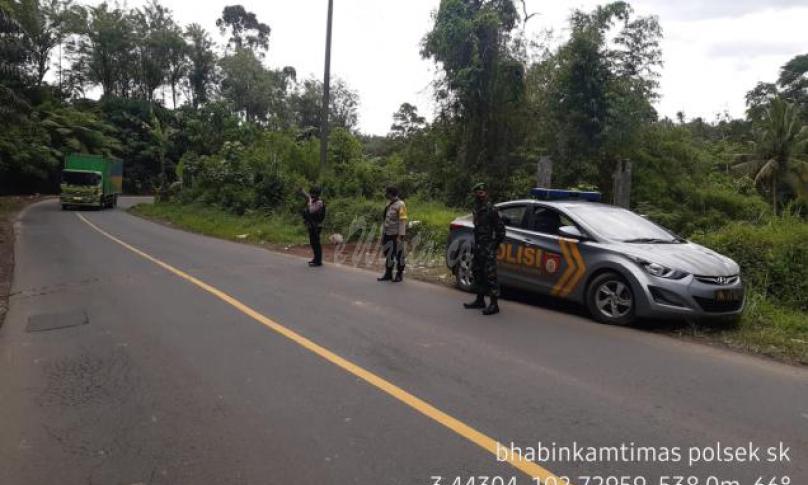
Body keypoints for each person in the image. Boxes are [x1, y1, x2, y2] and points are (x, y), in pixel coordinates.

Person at [463, 182, 506, 315]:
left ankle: (494, 305)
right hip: (478, 246)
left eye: (481, 193)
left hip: (488, 248)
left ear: (486, 193)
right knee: (478, 273)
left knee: (490, 275)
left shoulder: (492, 210)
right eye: (477, 193)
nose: (479, 195)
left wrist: (493, 246)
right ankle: (480, 300)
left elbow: (501, 231)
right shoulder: (476, 208)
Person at [378, 186, 408, 282]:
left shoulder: (401, 205)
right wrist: (383, 234)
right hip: (387, 233)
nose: (385, 195)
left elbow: (402, 221)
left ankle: (399, 275)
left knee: (399, 255)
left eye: (387, 193)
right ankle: (388, 274)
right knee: (388, 254)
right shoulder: (389, 204)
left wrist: (400, 236)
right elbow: (385, 219)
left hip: (396, 234)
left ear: (391, 194)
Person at [301, 186, 326, 267]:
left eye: (313, 194)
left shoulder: (319, 202)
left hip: (317, 225)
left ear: (317, 194)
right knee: (313, 243)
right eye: (311, 193)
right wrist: (302, 191)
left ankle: (318, 261)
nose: (312, 195)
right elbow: (308, 196)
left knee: (316, 243)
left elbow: (311, 210)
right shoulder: (314, 200)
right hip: (312, 225)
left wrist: (309, 202)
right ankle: (315, 259)